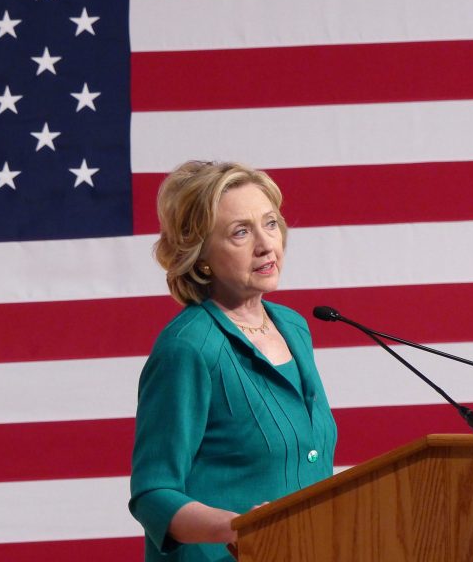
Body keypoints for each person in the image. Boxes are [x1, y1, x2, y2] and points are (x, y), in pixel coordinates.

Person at [129, 161, 337, 562]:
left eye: (271, 223)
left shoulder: (293, 327)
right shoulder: (187, 347)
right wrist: (234, 527)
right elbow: (153, 493)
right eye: (241, 232)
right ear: (201, 255)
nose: (265, 244)